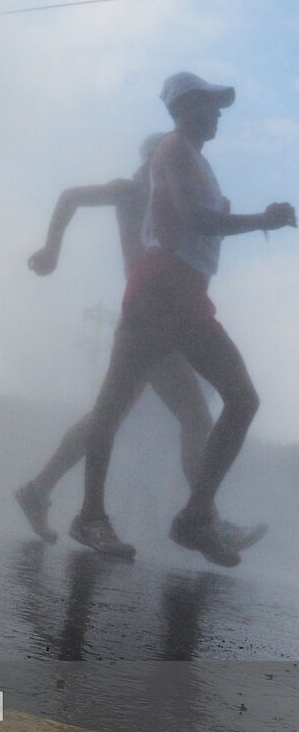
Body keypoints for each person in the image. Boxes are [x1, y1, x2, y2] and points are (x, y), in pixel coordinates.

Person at [70, 72, 294, 564]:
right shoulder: (172, 150)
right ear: (183, 110)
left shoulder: (198, 162)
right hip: (157, 292)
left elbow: (199, 226)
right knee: (113, 406)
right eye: (209, 106)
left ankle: (195, 516)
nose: (217, 115)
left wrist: (242, 220)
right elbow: (192, 222)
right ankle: (91, 515)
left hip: (188, 295)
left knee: (241, 398)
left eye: (218, 107)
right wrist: (261, 220)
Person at [15, 134, 265, 550]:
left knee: (115, 411)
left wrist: (216, 217)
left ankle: (41, 489)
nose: (182, 175)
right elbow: (70, 196)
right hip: (150, 313)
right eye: (174, 167)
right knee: (185, 415)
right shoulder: (132, 190)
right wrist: (51, 250)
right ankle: (202, 519)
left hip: (166, 313)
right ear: (156, 162)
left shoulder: (164, 196)